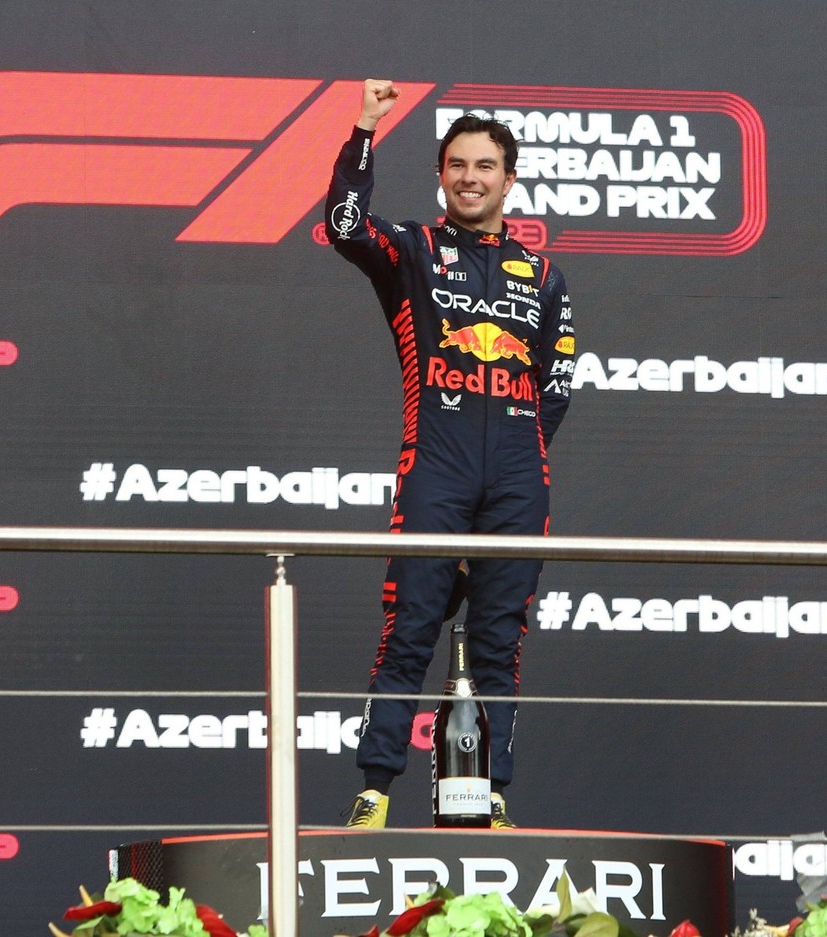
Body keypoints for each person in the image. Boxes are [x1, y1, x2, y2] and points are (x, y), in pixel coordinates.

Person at [324, 79, 575, 829]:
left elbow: (556, 388)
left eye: (485, 166)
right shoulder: (413, 251)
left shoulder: (545, 277)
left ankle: (489, 797)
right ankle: (375, 790)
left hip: (518, 480)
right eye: (457, 165)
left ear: (509, 179)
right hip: (436, 465)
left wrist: (517, 458)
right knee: (409, 628)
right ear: (441, 175)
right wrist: (365, 130)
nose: (471, 177)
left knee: (500, 642)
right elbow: (343, 224)